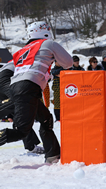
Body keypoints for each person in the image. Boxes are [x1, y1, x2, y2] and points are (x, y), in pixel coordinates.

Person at [0, 21, 73, 164]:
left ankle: (53, 155)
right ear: (44, 31)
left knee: (46, 118)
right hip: (28, 88)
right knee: (22, 130)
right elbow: (68, 63)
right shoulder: (48, 44)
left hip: (16, 85)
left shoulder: (21, 50)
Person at [0, 61, 44, 154]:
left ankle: (31, 145)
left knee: (21, 114)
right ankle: (31, 145)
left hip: (6, 77)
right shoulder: (30, 59)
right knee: (20, 101)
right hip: (5, 77)